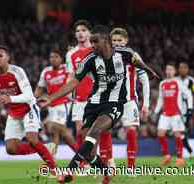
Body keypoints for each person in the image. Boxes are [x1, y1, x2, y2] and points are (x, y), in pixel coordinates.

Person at [39, 25, 159, 184]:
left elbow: (138, 62)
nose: (93, 45)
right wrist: (51, 97)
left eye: (96, 42)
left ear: (107, 41)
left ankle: (70, 170)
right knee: (88, 150)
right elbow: (74, 82)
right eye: (92, 42)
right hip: (94, 103)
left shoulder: (125, 54)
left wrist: (149, 71)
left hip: (115, 103)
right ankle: (107, 172)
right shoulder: (89, 60)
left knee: (95, 132)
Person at [0, 45, 56, 172]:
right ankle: (45, 148)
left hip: (28, 109)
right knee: (11, 149)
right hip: (13, 113)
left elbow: (29, 96)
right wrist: (4, 102)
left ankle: (55, 170)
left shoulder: (17, 71)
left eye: (0, 56)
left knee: (32, 139)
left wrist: (10, 99)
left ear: (7, 57)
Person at [97, 27, 151, 169]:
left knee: (131, 130)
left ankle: (131, 167)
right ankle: (109, 164)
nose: (116, 43)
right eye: (114, 40)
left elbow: (144, 79)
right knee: (104, 130)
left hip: (129, 101)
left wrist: (146, 104)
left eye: (119, 40)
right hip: (110, 101)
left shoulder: (132, 56)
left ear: (126, 41)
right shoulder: (105, 55)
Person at [35, 49, 79, 155]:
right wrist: (34, 99)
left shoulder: (67, 69)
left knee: (54, 126)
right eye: (51, 57)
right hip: (51, 105)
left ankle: (81, 156)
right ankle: (52, 160)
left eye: (56, 57)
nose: (53, 59)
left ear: (61, 59)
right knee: (55, 133)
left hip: (64, 103)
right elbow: (39, 89)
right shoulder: (46, 71)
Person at [154, 63, 193, 167]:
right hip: (165, 114)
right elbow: (160, 99)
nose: (169, 71)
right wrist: (156, 112)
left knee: (177, 135)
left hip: (176, 114)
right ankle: (167, 156)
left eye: (171, 69)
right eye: (167, 69)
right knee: (160, 134)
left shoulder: (178, 82)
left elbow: (188, 94)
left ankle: (180, 158)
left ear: (174, 72)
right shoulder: (162, 83)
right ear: (165, 71)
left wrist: (189, 108)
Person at [65, 20, 94, 148]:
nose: (80, 33)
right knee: (80, 130)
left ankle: (106, 160)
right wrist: (67, 92)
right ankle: (84, 163)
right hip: (79, 97)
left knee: (97, 130)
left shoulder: (96, 50)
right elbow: (70, 76)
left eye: (83, 30)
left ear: (89, 33)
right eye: (77, 31)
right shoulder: (71, 54)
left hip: (96, 96)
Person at [176, 62, 194, 158]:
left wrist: (192, 107)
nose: (183, 70)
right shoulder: (175, 80)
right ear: (178, 69)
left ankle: (185, 154)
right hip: (176, 109)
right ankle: (190, 153)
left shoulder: (192, 81)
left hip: (186, 111)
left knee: (180, 132)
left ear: (187, 69)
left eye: (185, 68)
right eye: (181, 68)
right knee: (180, 133)